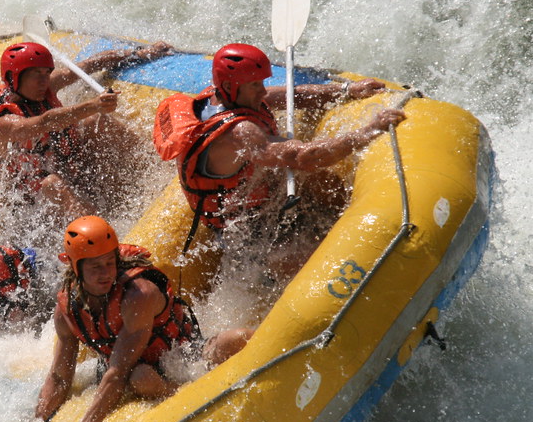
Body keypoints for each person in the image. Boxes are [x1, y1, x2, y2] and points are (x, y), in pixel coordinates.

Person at [153, 42, 407, 291]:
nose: (262, 91)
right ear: (230, 86)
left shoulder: (221, 95)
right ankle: (271, 288)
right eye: (256, 85)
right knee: (316, 256)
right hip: (248, 235)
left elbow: (291, 96)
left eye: (261, 82)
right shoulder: (240, 133)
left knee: (329, 185)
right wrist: (369, 130)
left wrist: (346, 90)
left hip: (265, 208)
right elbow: (305, 157)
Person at [34, 216, 253, 422]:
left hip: (179, 354)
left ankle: (182, 390)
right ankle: (175, 390)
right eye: (95, 267)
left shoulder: (139, 295)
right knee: (140, 377)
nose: (106, 273)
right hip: (130, 372)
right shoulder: (67, 310)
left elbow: (118, 372)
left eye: (110, 263)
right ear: (76, 268)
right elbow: (59, 375)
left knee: (236, 339)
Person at [0, 40, 171, 218]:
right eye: (36, 74)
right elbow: (44, 122)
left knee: (98, 122)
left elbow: (89, 64)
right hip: (34, 199)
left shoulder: (45, 87)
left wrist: (140, 54)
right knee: (52, 183)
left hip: (67, 164)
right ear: (14, 78)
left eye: (47, 73)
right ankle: (102, 238)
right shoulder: (3, 123)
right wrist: (94, 105)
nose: (44, 80)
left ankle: (162, 168)